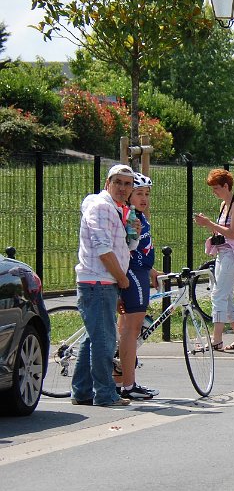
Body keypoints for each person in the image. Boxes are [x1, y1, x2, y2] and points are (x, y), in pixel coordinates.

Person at [71, 164, 139, 407]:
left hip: (102, 281)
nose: (123, 188)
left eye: (127, 184)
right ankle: (105, 394)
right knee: (105, 341)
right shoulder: (101, 207)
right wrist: (122, 278)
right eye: (118, 182)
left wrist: (133, 235)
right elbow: (103, 249)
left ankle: (82, 391)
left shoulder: (115, 209)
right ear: (107, 183)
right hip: (98, 281)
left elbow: (122, 248)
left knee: (93, 338)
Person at [193, 168, 234, 350]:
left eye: (216, 188)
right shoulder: (224, 205)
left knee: (218, 295)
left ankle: (216, 339)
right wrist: (209, 225)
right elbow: (222, 230)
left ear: (226, 186)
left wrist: (209, 223)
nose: (214, 192)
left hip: (233, 253)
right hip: (222, 252)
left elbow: (233, 233)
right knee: (224, 295)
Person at [116, 172, 159, 400]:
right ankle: (128, 385)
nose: (144, 198)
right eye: (139, 193)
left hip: (141, 271)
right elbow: (129, 249)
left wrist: (152, 271)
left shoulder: (140, 216)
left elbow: (141, 250)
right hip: (133, 273)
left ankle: (120, 380)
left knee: (127, 329)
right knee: (131, 330)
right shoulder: (131, 217)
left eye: (147, 194)